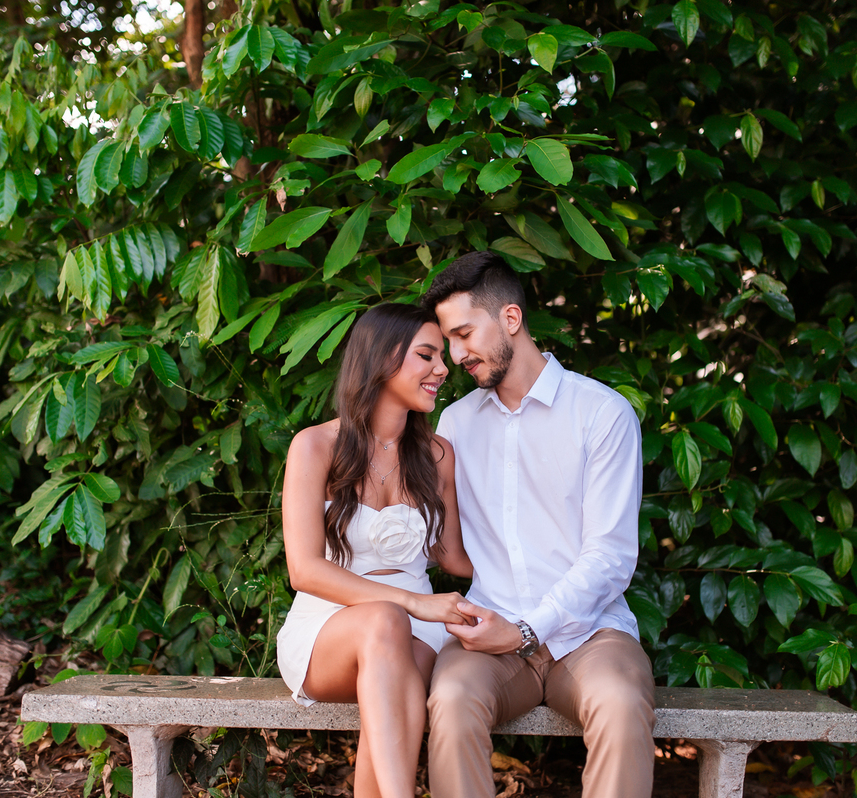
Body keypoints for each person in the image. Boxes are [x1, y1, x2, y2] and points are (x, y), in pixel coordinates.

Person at [421, 252, 656, 798]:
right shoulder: (454, 424)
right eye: (448, 341)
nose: (456, 356)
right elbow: (442, 543)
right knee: (451, 700)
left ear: (511, 318)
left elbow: (610, 557)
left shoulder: (602, 414)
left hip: (590, 634)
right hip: (491, 632)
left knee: (621, 704)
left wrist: (528, 629)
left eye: (464, 334)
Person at [275, 302, 473, 798]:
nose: (443, 369)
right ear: (384, 358)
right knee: (386, 621)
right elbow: (304, 570)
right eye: (427, 355)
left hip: (419, 631)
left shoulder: (437, 456)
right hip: (328, 626)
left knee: (396, 687)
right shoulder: (314, 446)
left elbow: (454, 559)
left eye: (441, 357)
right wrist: (412, 603)